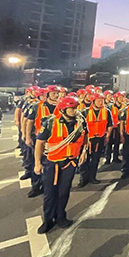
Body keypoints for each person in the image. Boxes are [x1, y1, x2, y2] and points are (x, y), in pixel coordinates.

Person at [34, 96, 87, 234]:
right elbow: (39, 143)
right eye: (72, 108)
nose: (75, 111)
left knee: (64, 192)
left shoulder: (80, 122)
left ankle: (61, 217)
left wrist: (83, 152)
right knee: (50, 193)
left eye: (76, 108)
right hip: (52, 164)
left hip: (69, 163)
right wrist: (37, 163)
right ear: (63, 109)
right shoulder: (50, 123)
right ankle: (48, 220)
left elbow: (84, 137)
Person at [78, 93, 112, 187]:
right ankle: (83, 179)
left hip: (100, 139)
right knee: (85, 160)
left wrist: (107, 136)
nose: (101, 102)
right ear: (93, 101)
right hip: (87, 140)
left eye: (102, 100)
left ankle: (92, 177)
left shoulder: (106, 111)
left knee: (95, 159)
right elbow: (80, 127)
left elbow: (109, 125)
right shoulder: (85, 112)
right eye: (98, 100)